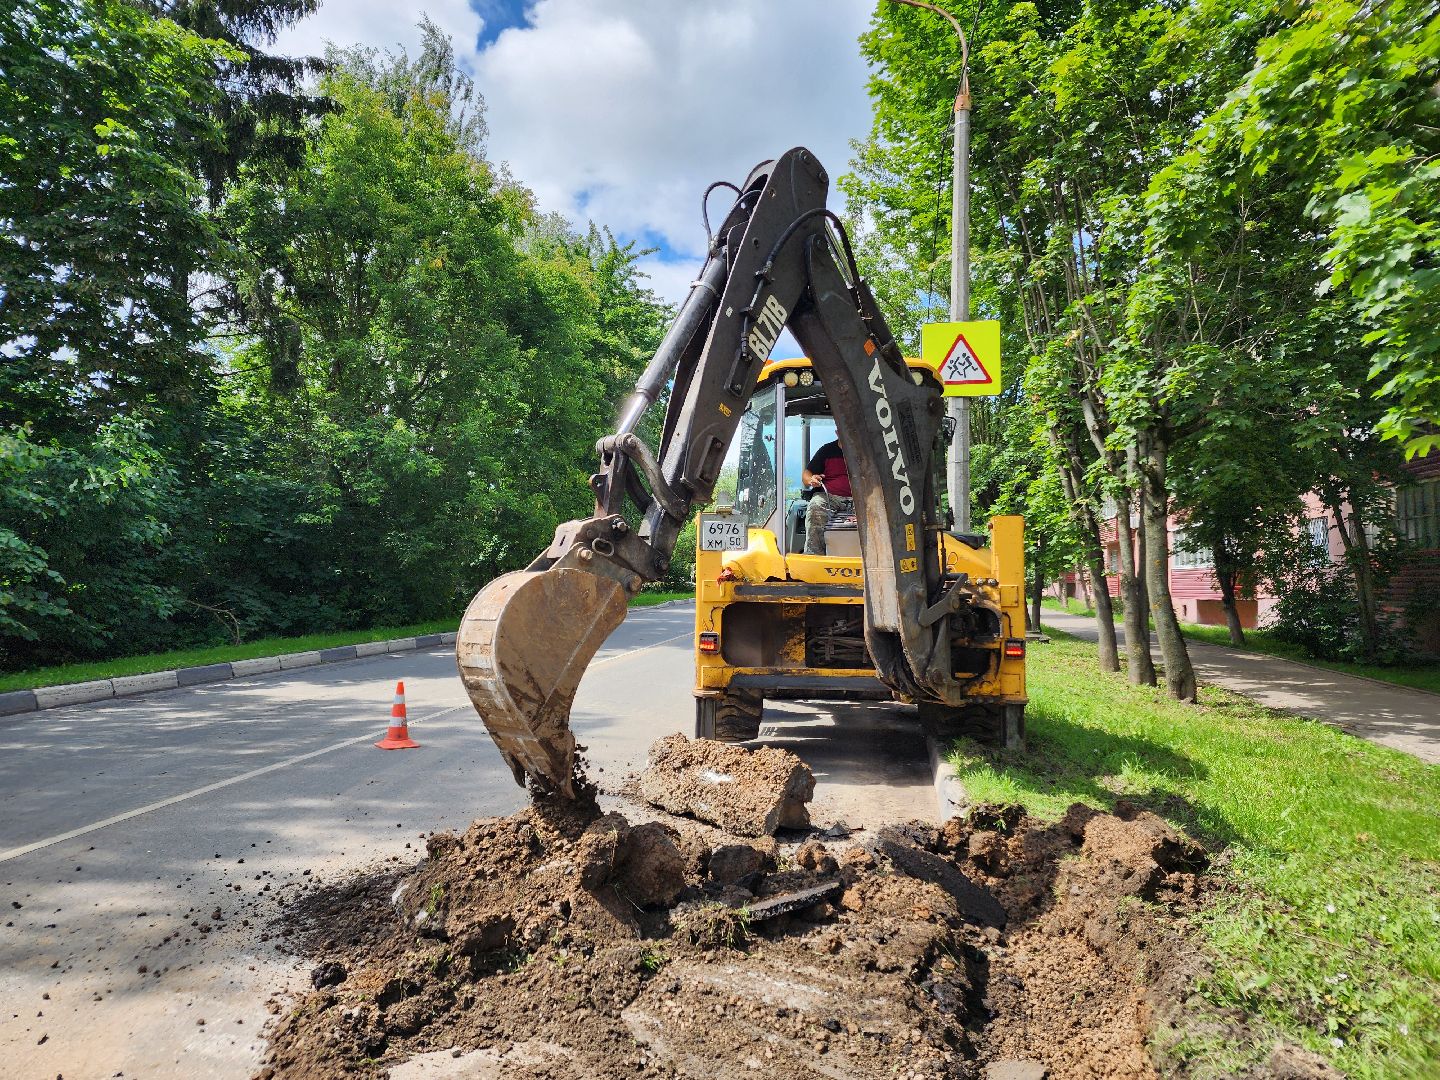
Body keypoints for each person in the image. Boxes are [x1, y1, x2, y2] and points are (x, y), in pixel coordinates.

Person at [802, 437, 852, 554]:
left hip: (860, 499)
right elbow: (806, 474)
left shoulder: (865, 451)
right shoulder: (826, 450)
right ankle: (814, 554)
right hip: (831, 497)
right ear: (837, 432)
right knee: (816, 505)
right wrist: (811, 480)